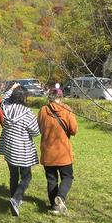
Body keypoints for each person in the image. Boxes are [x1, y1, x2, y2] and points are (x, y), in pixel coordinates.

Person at [0, 83, 40, 217]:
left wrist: (11, 88)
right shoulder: (27, 114)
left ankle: (14, 199)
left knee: (13, 175)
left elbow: (3, 99)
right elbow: (36, 132)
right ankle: (16, 199)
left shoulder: (6, 108)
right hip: (22, 150)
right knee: (27, 176)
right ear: (24, 98)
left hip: (9, 149)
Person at [38, 86, 78, 215]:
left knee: (51, 179)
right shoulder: (67, 110)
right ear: (61, 97)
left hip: (48, 151)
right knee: (67, 176)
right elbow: (74, 130)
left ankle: (55, 206)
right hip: (63, 151)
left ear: (49, 97)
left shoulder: (43, 110)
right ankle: (60, 197)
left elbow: (39, 127)